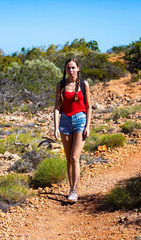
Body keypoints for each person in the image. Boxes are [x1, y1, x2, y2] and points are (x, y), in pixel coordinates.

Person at [54, 58, 92, 202]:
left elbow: (88, 107)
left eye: (73, 68)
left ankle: (74, 190)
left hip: (80, 121)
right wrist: (55, 126)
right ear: (65, 70)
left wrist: (87, 126)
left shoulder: (84, 84)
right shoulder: (61, 85)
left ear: (78, 69)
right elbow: (57, 107)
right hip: (64, 122)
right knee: (68, 159)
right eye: (68, 68)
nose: (70, 71)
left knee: (75, 157)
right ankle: (71, 188)